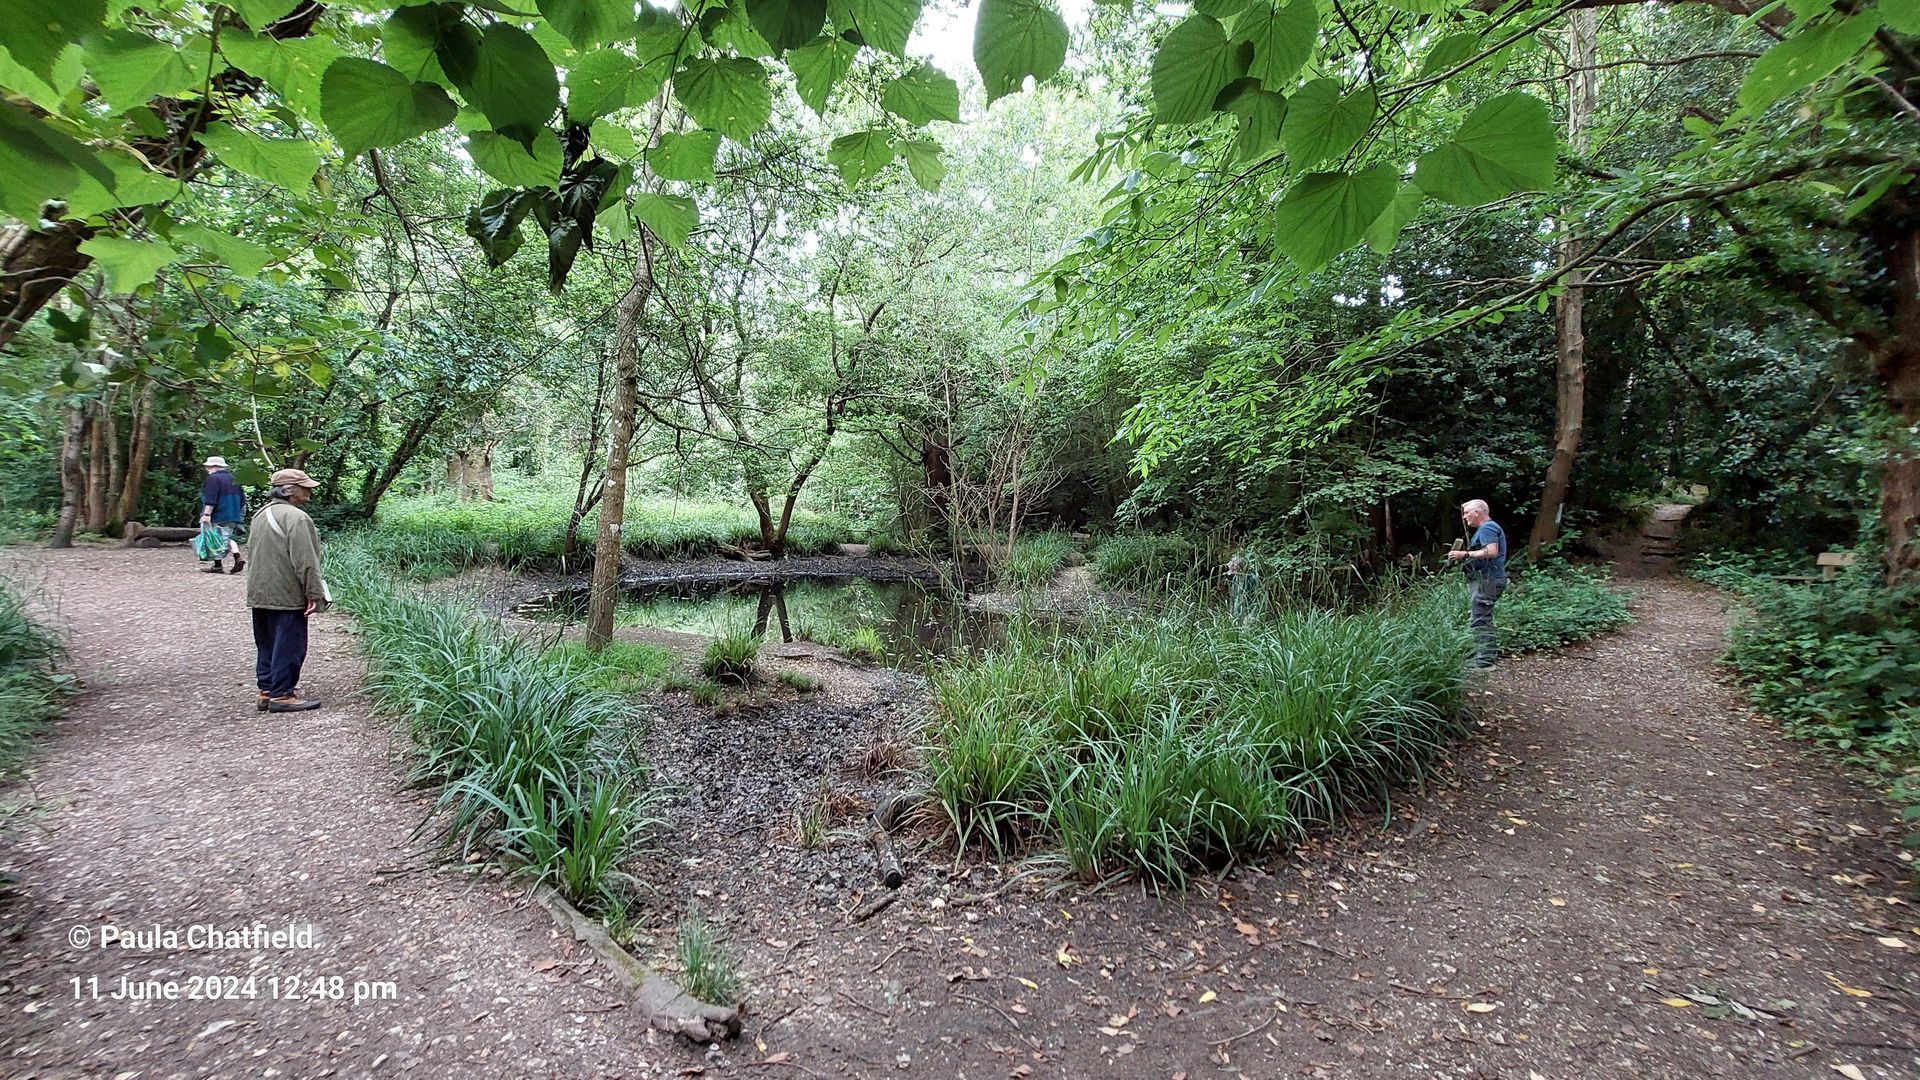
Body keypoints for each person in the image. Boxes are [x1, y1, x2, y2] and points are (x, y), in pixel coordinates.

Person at [247, 468, 326, 713]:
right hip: (286, 592)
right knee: (290, 643)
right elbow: (306, 560)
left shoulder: (260, 514)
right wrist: (315, 593)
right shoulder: (297, 518)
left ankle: (267, 690)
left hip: (259, 590)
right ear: (289, 490)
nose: (309, 490)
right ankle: (282, 694)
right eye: (304, 487)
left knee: (267, 642)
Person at [1447, 499, 1508, 669]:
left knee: (1480, 618)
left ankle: (1485, 661)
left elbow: (1491, 551)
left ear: (1477, 512)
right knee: (1481, 616)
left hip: (1488, 580)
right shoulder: (1488, 528)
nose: (1465, 517)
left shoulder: (1487, 528)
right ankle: (1484, 654)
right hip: (1489, 579)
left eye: (1467, 513)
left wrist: (1464, 554)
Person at [198, 456, 247, 574]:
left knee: (216, 538)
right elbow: (242, 499)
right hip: (233, 514)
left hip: (219, 513)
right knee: (225, 537)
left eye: (208, 467)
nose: (207, 469)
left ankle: (218, 566)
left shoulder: (213, 479)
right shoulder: (234, 478)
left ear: (213, 467)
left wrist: (206, 514)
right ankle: (236, 557)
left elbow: (211, 499)